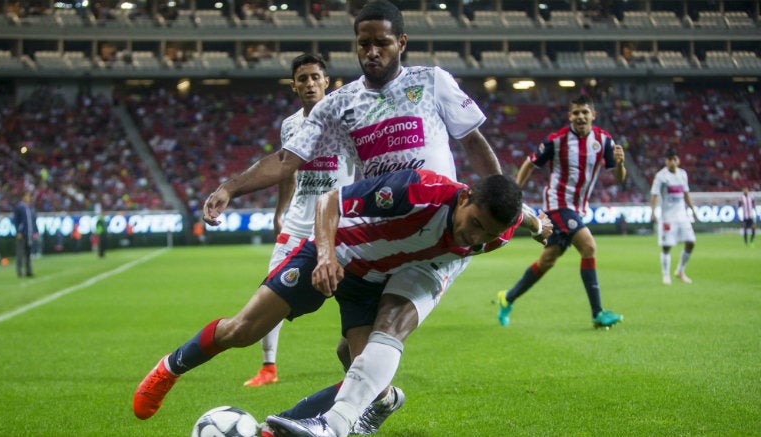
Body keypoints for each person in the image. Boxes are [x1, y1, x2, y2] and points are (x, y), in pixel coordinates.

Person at [135, 2, 538, 432]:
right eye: (363, 44)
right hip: (361, 234)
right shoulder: (340, 103)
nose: (372, 52)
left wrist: (504, 199)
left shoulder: (432, 82)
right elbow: (287, 160)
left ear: (400, 42)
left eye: (382, 43)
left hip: (426, 243)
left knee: (368, 357)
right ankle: (170, 367)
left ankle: (314, 423)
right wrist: (229, 187)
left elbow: (473, 142)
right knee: (245, 329)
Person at [134, 170, 546, 431]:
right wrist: (327, 255)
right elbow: (329, 200)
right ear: (463, 198)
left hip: (374, 283)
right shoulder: (418, 189)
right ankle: (169, 368)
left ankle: (333, 418)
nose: (474, 238)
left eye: (486, 235)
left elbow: (523, 215)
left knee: (365, 370)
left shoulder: (499, 229)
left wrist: (537, 222)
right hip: (334, 252)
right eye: (473, 224)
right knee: (243, 330)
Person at [244, 53, 356, 388]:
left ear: (327, 82)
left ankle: (359, 371)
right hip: (296, 223)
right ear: (294, 85)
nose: (309, 84)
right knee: (269, 289)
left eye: (315, 77)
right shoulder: (291, 125)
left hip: (340, 224)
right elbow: (286, 172)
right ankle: (268, 368)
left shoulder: (346, 120)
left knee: (354, 296)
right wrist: (280, 211)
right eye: (302, 78)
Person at [496, 94, 626, 329]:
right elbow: (530, 163)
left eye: (585, 112)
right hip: (558, 204)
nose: (580, 117)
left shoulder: (604, 141)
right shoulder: (557, 140)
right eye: (576, 113)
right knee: (588, 247)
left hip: (577, 208)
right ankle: (598, 313)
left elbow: (617, 177)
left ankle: (508, 297)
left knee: (547, 260)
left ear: (593, 115)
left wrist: (621, 163)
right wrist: (515, 192)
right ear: (570, 116)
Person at [650, 148, 698, 285]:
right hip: (668, 217)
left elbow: (686, 194)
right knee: (667, 246)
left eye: (674, 159)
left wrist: (693, 210)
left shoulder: (683, 174)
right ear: (666, 161)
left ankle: (680, 271)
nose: (672, 162)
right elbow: (654, 194)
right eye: (669, 159)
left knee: (691, 242)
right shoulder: (661, 176)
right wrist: (652, 211)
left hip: (682, 215)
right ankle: (665, 275)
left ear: (678, 160)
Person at [13, 191, 37, 278]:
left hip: (29, 234)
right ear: (23, 197)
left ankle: (28, 271)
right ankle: (19, 272)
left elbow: (33, 221)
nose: (28, 198)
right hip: (22, 234)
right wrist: (18, 232)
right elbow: (16, 220)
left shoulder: (30, 207)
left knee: (28, 253)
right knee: (20, 253)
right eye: (27, 196)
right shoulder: (19, 207)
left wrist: (35, 231)